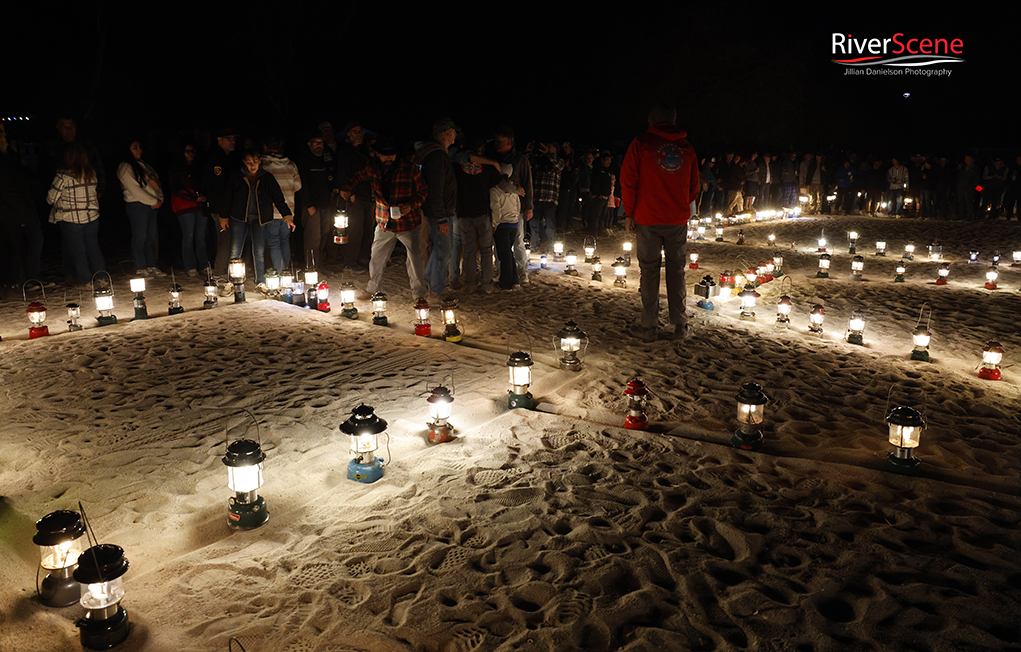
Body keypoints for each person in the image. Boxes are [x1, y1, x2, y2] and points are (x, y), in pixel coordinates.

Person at [621, 102, 698, 342]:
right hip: (676, 219)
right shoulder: (686, 147)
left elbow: (628, 180)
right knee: (676, 270)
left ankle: (649, 326)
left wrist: (629, 213)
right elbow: (695, 185)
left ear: (652, 119)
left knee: (649, 271)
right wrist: (680, 205)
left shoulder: (642, 143)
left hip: (648, 218)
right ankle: (680, 324)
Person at [339, 136, 428, 299]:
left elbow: (423, 191)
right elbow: (358, 177)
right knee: (377, 257)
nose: (389, 158)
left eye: (392, 154)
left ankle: (420, 294)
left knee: (415, 259)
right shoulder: (372, 168)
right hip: (384, 222)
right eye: (385, 155)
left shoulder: (410, 169)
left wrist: (411, 204)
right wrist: (347, 187)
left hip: (408, 223)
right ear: (377, 154)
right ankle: (372, 289)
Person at [221, 150, 292, 288]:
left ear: (260, 161)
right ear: (244, 162)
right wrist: (223, 217)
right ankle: (231, 282)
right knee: (235, 251)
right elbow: (227, 197)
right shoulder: (237, 177)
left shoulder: (267, 178)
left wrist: (287, 216)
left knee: (258, 251)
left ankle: (259, 282)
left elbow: (278, 198)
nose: (252, 165)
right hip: (239, 218)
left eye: (255, 162)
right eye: (248, 162)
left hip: (259, 219)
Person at [46, 143, 105, 289]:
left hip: (71, 219)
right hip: (91, 217)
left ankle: (86, 281)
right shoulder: (91, 174)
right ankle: (103, 278)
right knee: (93, 248)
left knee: (78, 251)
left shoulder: (63, 175)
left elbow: (50, 198)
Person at [0, 122, 45, 295]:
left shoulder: (9, 157)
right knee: (14, 246)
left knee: (23, 244)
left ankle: (21, 280)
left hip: (20, 208)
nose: (5, 137)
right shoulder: (3, 162)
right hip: (12, 211)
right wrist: (21, 209)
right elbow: (6, 189)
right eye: (2, 134)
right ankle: (11, 283)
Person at [415, 118, 459, 297]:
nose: (456, 134)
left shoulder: (437, 154)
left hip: (439, 211)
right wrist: (441, 218)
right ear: (447, 133)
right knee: (444, 251)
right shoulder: (437, 156)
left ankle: (429, 282)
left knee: (440, 250)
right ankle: (438, 289)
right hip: (439, 213)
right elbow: (436, 188)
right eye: (454, 131)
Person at [118, 139, 165, 277]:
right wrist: (153, 200)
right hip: (138, 206)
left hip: (151, 205)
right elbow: (134, 189)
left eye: (140, 147)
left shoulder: (144, 165)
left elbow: (157, 184)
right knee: (140, 236)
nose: (139, 150)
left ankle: (151, 265)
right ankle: (140, 266)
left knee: (151, 236)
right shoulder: (125, 167)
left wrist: (159, 199)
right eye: (134, 147)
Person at [334, 121, 372, 272]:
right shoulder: (345, 152)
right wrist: (350, 192)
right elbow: (342, 174)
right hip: (354, 195)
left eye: (360, 131)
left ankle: (363, 257)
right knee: (356, 230)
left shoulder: (362, 151)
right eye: (355, 131)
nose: (359, 134)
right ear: (348, 133)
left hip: (366, 194)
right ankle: (350, 261)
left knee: (367, 228)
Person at [168, 143, 209, 276]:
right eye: (187, 151)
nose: (191, 154)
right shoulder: (176, 168)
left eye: (193, 151)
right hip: (185, 205)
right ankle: (191, 266)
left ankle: (203, 264)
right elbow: (176, 187)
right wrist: (193, 198)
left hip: (200, 205)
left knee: (200, 236)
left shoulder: (199, 167)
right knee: (188, 236)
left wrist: (202, 196)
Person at [260, 135, 300, 274]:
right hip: (289, 210)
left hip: (271, 211)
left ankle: (279, 271)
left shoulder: (262, 165)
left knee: (273, 243)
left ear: (265, 146)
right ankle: (285, 271)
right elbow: (298, 186)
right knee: (285, 240)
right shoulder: (290, 164)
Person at [296, 133, 335, 267]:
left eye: (321, 142)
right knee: (313, 238)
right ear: (309, 144)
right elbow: (302, 185)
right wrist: (308, 204)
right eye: (315, 142)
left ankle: (318, 265)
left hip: (324, 204)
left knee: (324, 233)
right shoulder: (304, 161)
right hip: (312, 205)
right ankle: (311, 268)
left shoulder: (323, 160)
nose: (319, 145)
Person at [206, 128, 239, 276]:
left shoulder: (228, 158)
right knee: (224, 241)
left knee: (228, 241)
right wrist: (223, 212)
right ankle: (219, 272)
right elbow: (220, 189)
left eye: (234, 139)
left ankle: (225, 270)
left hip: (226, 208)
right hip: (221, 209)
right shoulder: (217, 159)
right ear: (219, 140)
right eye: (229, 138)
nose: (233, 141)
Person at [530, 140, 565, 251]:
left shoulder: (558, 161)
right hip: (536, 197)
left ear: (555, 149)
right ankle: (534, 246)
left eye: (549, 146)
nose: (546, 147)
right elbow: (527, 163)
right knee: (534, 223)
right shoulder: (538, 160)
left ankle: (550, 247)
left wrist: (548, 153)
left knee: (550, 225)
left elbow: (558, 165)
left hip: (550, 199)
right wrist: (530, 150)